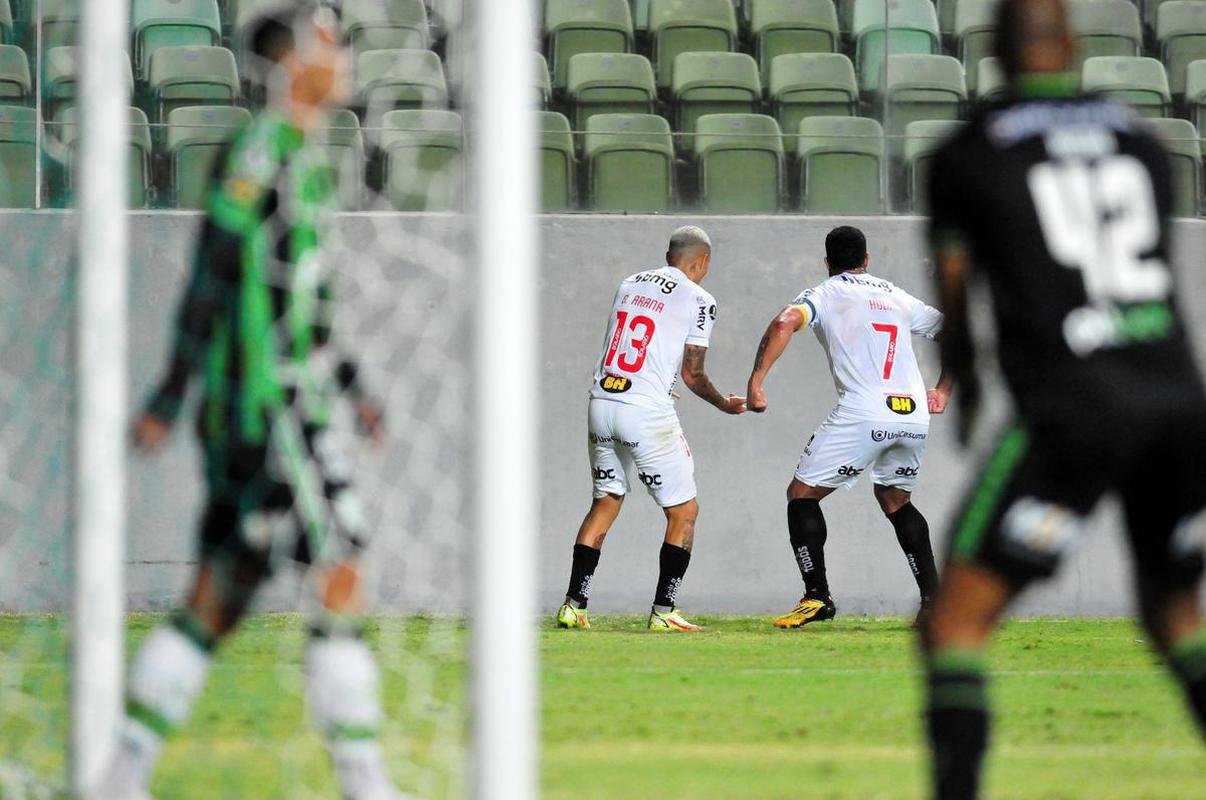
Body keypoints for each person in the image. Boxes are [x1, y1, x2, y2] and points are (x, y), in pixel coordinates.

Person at [96, 6, 406, 799]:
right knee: (340, 569)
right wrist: (171, 390)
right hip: (269, 414)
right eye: (330, 42)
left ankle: (123, 770)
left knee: (219, 598)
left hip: (276, 409)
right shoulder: (262, 153)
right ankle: (366, 782)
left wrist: (358, 392)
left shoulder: (299, 162)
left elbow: (308, 312)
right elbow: (213, 272)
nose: (342, 59)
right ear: (291, 60)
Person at [921, 0, 1206, 797]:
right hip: (1179, 401)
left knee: (954, 623)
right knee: (1177, 616)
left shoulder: (966, 153)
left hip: (1074, 407)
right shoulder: (1141, 141)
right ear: (1074, 46)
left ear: (992, 53)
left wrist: (970, 388)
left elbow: (955, 291)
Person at [746, 226, 950, 629]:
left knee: (801, 494)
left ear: (827, 263)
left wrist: (756, 382)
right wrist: (943, 390)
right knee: (895, 499)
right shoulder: (894, 294)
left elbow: (783, 322)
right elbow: (952, 330)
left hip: (866, 410)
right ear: (867, 260)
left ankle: (816, 596)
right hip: (912, 415)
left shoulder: (824, 293)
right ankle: (935, 604)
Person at [554, 226, 746, 632]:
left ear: (668, 253)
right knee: (684, 511)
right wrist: (725, 404)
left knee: (606, 500)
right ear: (703, 262)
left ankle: (574, 604)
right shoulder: (700, 299)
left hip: (602, 402)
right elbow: (693, 374)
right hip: (645, 411)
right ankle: (664, 611)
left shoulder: (630, 282)